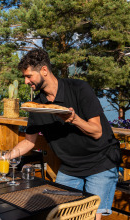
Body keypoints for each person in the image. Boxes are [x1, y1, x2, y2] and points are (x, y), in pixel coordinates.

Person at [8, 49, 120, 220]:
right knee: (59, 215)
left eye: (29, 76)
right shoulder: (37, 105)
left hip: (100, 162)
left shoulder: (79, 88)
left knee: (91, 217)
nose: (25, 81)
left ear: (44, 70)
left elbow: (97, 132)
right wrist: (3, 158)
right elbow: (29, 142)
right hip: (69, 168)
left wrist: (74, 119)